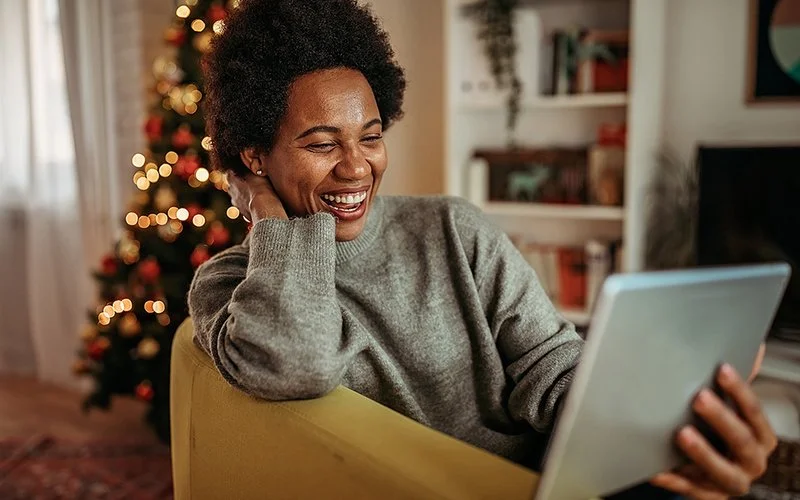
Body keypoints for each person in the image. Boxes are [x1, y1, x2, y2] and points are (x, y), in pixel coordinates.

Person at [190, 0, 777, 498]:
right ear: (254, 155)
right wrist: (268, 213)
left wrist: (655, 423)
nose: (356, 168)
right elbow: (299, 362)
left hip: (551, 480)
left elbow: (550, 366)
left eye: (371, 137)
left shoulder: (452, 227)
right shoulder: (228, 286)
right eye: (321, 144)